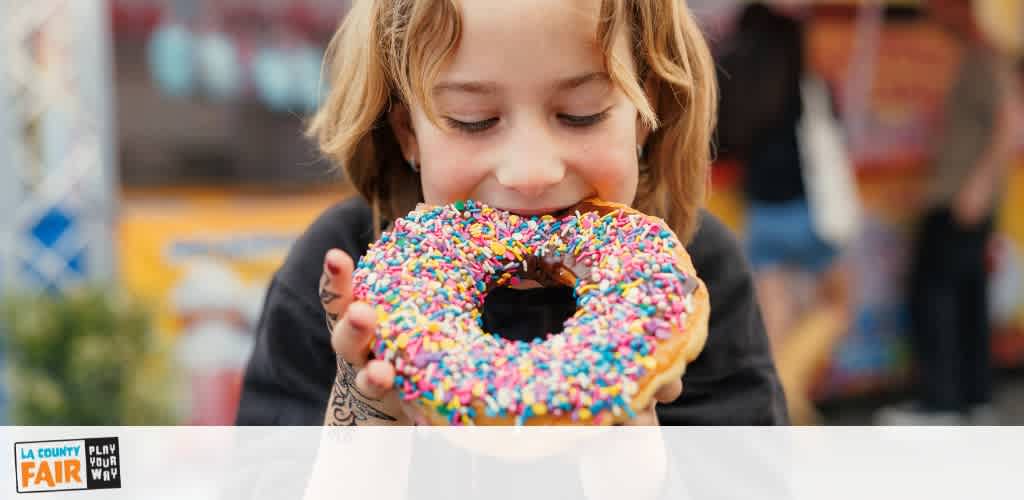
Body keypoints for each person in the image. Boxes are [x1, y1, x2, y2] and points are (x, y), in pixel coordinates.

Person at [236, 0, 788, 427]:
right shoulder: (343, 279)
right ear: (410, 135)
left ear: (644, 114)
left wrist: (641, 474)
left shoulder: (690, 274)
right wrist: (358, 457)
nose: (530, 172)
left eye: (580, 115)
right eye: (473, 120)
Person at [876, 0, 1023, 425]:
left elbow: (1009, 125)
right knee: (967, 298)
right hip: (963, 197)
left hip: (961, 199)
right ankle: (973, 397)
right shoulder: (981, 56)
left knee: (936, 296)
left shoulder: (984, 58)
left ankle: (942, 402)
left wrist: (978, 186)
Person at [715, 3, 852, 424]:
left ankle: (780, 405)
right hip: (809, 212)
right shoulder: (808, 85)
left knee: (774, 327)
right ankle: (790, 391)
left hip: (763, 214)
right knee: (839, 303)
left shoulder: (737, 84)